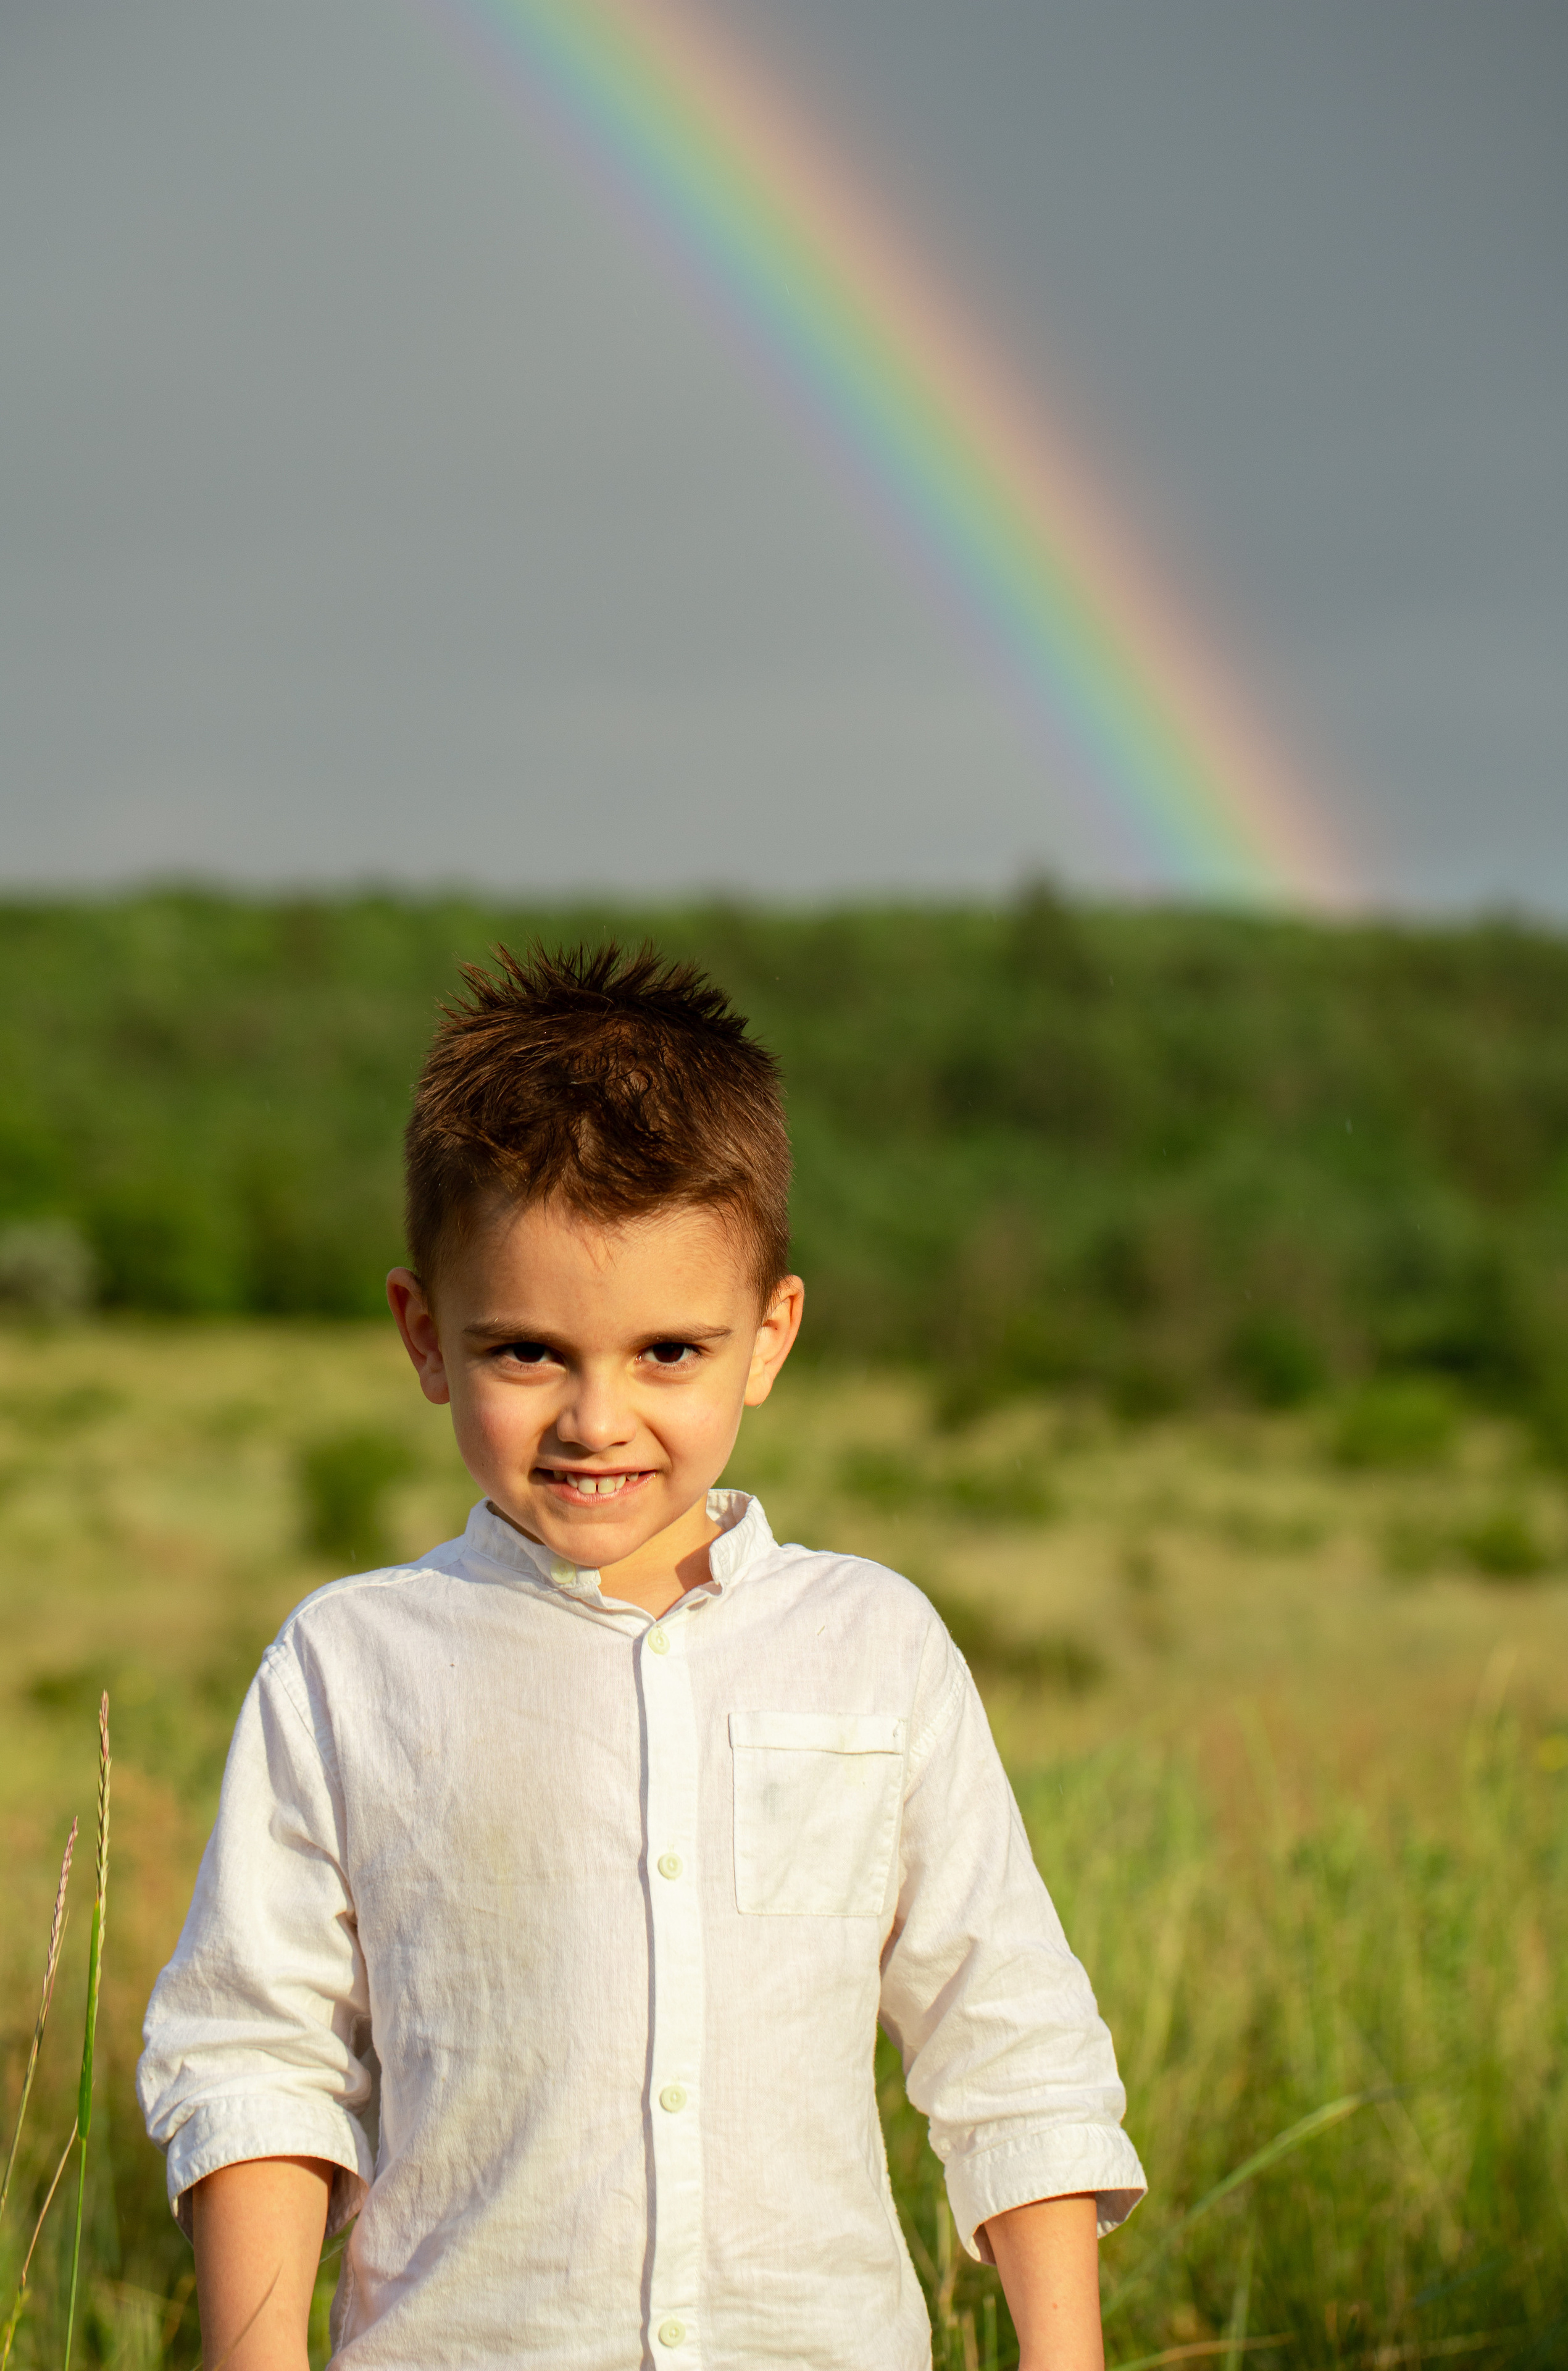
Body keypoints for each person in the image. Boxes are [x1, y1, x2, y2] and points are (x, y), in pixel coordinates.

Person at [138, 943, 1145, 2370]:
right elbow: (256, 2054)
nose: (596, 1418)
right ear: (425, 1335)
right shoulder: (349, 1666)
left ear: (768, 1338)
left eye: (668, 1351)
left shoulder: (872, 1646)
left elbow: (1005, 2031)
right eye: (528, 1352)